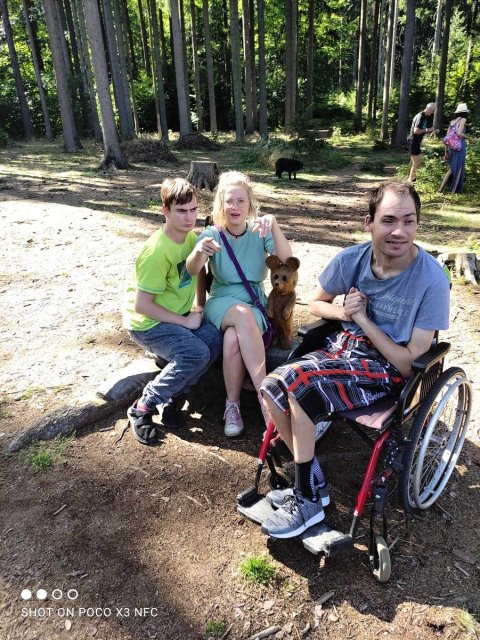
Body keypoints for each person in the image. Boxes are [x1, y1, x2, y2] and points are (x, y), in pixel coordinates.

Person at [259, 182, 450, 539]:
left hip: (384, 368)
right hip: (341, 350)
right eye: (389, 220)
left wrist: (363, 319)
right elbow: (317, 304)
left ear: (417, 223)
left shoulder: (431, 280)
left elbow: (407, 363)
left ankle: (307, 499)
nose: (399, 231)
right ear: (369, 223)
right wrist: (345, 313)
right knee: (269, 386)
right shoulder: (351, 259)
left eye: (409, 221)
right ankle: (312, 482)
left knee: (300, 384)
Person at [186, 171, 292, 437]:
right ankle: (266, 399)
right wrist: (199, 251)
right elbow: (193, 270)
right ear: (221, 203)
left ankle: (232, 406)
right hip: (221, 302)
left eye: (240, 201)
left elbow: (286, 260)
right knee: (240, 316)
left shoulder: (259, 231)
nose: (235, 207)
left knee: (234, 338)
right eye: (229, 201)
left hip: (254, 304)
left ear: (249, 203)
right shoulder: (212, 234)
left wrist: (274, 224)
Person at [123, 178, 222, 445]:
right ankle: (143, 405)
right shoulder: (156, 251)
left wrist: (199, 307)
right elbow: (142, 306)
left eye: (193, 209)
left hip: (178, 315)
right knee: (196, 352)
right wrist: (185, 322)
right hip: (148, 323)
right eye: (181, 211)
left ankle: (175, 397)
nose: (189, 217)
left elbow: (198, 271)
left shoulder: (191, 238)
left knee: (214, 339)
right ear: (165, 210)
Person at [439, 103, 475, 194]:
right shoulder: (463, 119)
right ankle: (453, 191)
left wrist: (446, 152)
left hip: (450, 147)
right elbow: (459, 133)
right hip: (459, 147)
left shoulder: (452, 122)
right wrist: (469, 138)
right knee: (458, 168)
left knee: (451, 168)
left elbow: (447, 138)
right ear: (465, 112)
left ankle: (441, 189)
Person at [407, 102, 439, 183]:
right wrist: (428, 129)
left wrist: (433, 131)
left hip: (417, 141)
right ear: (428, 109)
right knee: (416, 162)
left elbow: (425, 130)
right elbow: (416, 131)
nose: (433, 113)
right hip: (413, 141)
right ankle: (410, 182)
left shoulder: (426, 116)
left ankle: (414, 180)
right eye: (432, 111)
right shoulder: (420, 116)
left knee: (417, 162)